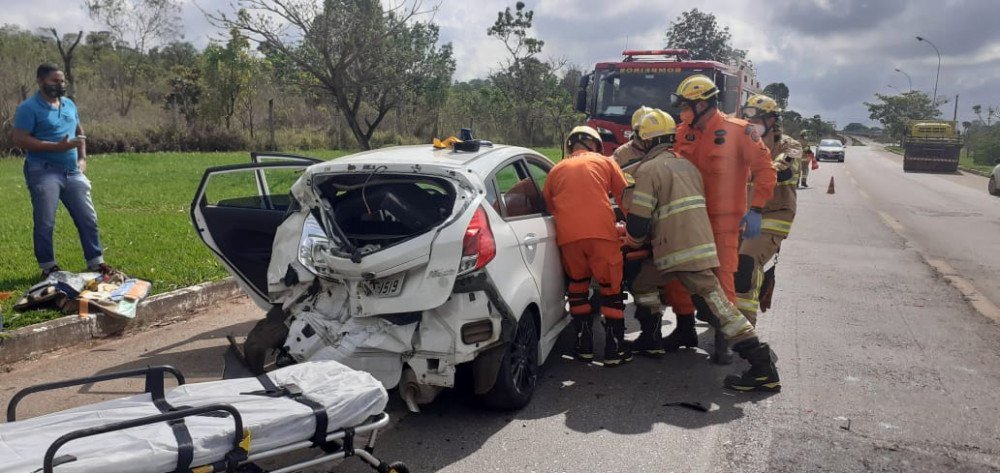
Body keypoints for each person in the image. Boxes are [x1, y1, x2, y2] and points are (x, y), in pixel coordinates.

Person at [623, 108, 780, 392]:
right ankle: (651, 337)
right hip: (695, 243)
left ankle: (761, 365)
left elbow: (637, 224)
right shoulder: (686, 165)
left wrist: (630, 242)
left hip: (682, 253)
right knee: (644, 283)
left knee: (720, 308)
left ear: (644, 141)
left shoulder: (649, 170)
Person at [667, 74, 777, 363]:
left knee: (722, 278)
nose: (682, 112)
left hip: (724, 222)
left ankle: (724, 339)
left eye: (686, 106)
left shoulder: (739, 132)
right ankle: (685, 328)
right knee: (680, 273)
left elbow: (766, 171)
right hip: (689, 218)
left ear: (703, 104)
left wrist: (756, 209)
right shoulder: (683, 133)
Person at [12, 63, 114, 279]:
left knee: (88, 217)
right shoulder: (29, 108)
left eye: (62, 81)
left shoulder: (68, 105)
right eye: (54, 81)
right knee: (46, 221)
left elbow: (80, 133)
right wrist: (56, 147)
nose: (60, 85)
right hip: (43, 170)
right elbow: (20, 139)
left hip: (72, 171)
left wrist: (82, 158)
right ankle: (48, 266)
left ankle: (96, 262)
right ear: (40, 81)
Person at [542, 126, 632, 366]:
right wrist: (633, 227)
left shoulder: (556, 169)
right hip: (602, 235)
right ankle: (614, 350)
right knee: (610, 290)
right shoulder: (605, 162)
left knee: (578, 287)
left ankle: (583, 347)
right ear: (595, 144)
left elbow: (550, 206)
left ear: (571, 146)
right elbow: (625, 197)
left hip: (568, 237)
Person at [734, 95, 802, 325]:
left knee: (746, 265)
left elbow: (782, 168)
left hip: (773, 216)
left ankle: (743, 330)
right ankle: (727, 316)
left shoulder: (789, 146)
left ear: (772, 120)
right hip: (744, 215)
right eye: (746, 119)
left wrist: (763, 169)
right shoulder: (741, 144)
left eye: (757, 119)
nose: (751, 124)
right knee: (726, 267)